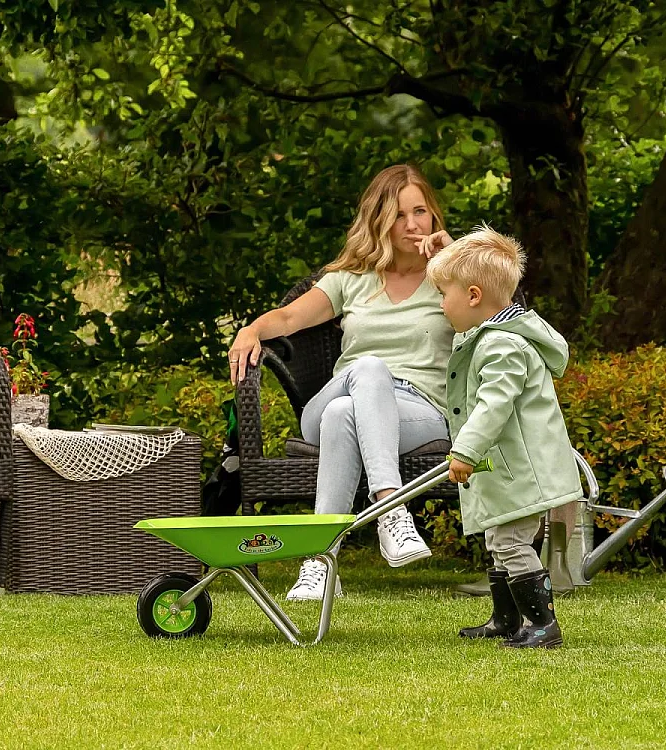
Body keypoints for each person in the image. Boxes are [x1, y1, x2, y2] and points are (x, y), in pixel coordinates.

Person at [228, 164, 456, 601]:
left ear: (434, 217)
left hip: (421, 412)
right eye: (398, 214)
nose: (412, 224)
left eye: (420, 212)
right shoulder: (351, 279)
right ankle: (391, 508)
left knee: (343, 415)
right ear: (378, 222)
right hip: (350, 384)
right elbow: (291, 317)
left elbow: (498, 302)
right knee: (368, 371)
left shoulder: (449, 277)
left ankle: (319, 562)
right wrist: (251, 330)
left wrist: (457, 255)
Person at [425, 224, 584, 648]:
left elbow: (493, 405)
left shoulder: (502, 346)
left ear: (474, 296)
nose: (441, 305)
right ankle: (506, 619)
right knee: (500, 537)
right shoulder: (490, 340)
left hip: (522, 471)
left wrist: (465, 449)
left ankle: (543, 625)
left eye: (444, 294)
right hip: (507, 469)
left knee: (510, 541)